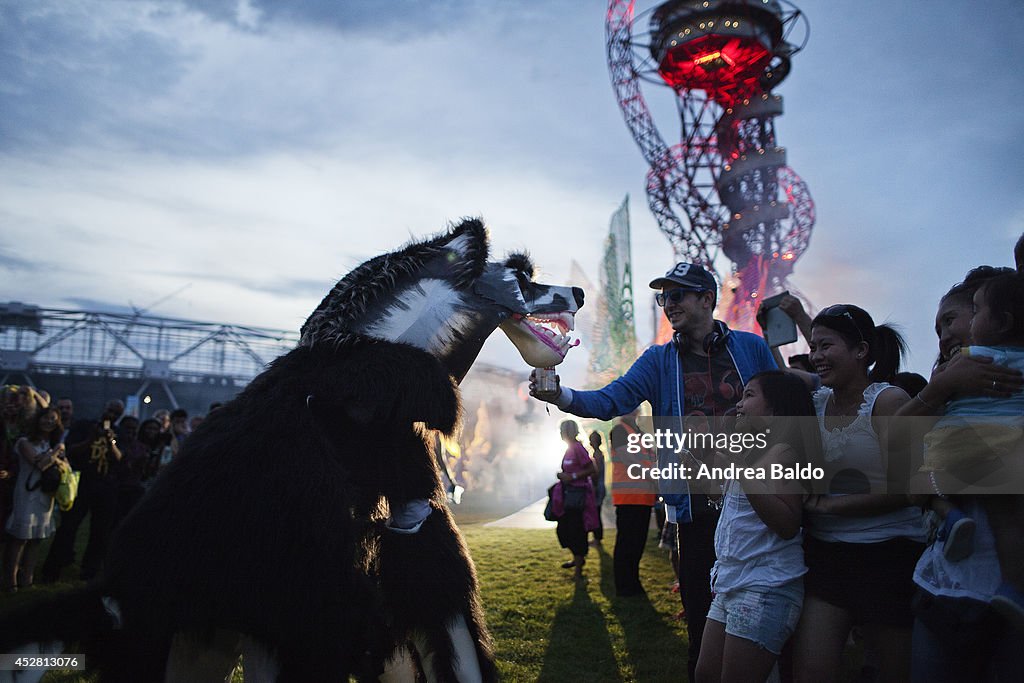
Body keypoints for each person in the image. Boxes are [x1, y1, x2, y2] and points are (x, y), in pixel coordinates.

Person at [531, 262, 777, 682]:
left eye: (678, 294)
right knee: (703, 624)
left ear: (706, 298)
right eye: (664, 297)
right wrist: (563, 393)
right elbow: (611, 400)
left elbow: (782, 406)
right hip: (696, 512)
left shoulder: (751, 349)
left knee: (762, 619)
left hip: (754, 506)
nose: (669, 304)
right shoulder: (659, 361)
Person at [789, 304, 923, 683]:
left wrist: (832, 506)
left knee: (892, 671)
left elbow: (912, 488)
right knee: (811, 670)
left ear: (861, 351)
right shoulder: (815, 407)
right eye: (813, 347)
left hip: (888, 555)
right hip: (826, 555)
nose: (816, 356)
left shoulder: (888, 402)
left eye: (825, 346)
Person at [904, 264, 1024, 682]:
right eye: (937, 329)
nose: (943, 336)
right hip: (945, 586)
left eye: (951, 320)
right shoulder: (945, 385)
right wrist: (938, 389)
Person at [695, 371, 821, 683]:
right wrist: (698, 467)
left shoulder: (783, 453)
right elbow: (721, 498)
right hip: (734, 581)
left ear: (776, 410)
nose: (738, 405)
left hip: (766, 587)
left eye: (749, 396)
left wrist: (739, 468)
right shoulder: (752, 451)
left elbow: (787, 522)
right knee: (706, 674)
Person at [40, 405, 123, 582]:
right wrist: (91, 438)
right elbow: (70, 450)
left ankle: (89, 571)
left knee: (100, 531)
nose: (112, 415)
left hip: (106, 486)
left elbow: (120, 459)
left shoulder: (117, 432)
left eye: (117, 413)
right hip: (82, 482)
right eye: (111, 410)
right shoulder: (84, 426)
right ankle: (53, 569)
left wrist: (111, 442)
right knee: (69, 527)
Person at [3, 407, 66, 591]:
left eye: (53, 419)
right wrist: (56, 453)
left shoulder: (52, 444)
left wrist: (56, 455)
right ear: (37, 420)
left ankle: (27, 579)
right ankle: (10, 580)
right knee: (19, 539)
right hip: (26, 494)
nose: (49, 422)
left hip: (45, 496)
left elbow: (64, 466)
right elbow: (41, 464)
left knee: (36, 539)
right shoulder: (24, 442)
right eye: (46, 418)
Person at [608, 410, 657, 597]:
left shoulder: (638, 432)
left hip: (643, 497)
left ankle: (632, 583)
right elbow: (631, 461)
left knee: (636, 545)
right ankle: (625, 586)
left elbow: (650, 459)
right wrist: (655, 479)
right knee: (627, 544)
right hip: (628, 498)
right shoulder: (620, 431)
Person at [553, 420, 597, 582]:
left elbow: (592, 469)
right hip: (567, 495)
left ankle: (578, 570)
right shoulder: (569, 449)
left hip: (577, 497)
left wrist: (571, 477)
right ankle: (577, 559)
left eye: (562, 429)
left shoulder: (578, 448)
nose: (560, 433)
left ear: (569, 431)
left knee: (577, 531)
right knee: (564, 530)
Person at [587, 429, 607, 547]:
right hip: (599, 487)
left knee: (596, 513)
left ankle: (597, 539)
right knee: (596, 513)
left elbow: (596, 472)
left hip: (597, 488)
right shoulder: (598, 453)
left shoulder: (597, 454)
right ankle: (597, 538)